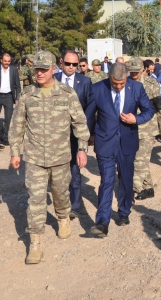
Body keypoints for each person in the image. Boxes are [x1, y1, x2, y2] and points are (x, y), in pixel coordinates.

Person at [9, 50, 90, 265]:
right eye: (37, 69)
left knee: (60, 193)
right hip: (34, 157)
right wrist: (15, 152)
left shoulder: (66, 93)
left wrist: (82, 149)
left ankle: (63, 217)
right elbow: (17, 125)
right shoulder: (27, 94)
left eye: (44, 69)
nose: (39, 73)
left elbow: (80, 122)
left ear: (54, 69)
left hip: (61, 156)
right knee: (35, 199)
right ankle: (35, 241)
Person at [85, 62, 154, 236]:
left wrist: (136, 119)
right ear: (110, 77)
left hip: (127, 142)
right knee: (107, 180)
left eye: (122, 83)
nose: (118, 87)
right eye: (115, 83)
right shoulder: (98, 88)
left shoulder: (136, 88)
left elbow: (149, 110)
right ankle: (102, 221)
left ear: (126, 77)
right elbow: (89, 115)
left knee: (126, 179)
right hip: (105, 142)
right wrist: (90, 134)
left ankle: (124, 212)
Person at [55, 51, 93, 220]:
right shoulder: (53, 79)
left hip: (76, 134)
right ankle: (60, 204)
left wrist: (87, 133)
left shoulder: (85, 82)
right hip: (56, 135)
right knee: (57, 173)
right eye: (68, 63)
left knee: (74, 171)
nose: (71, 67)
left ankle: (74, 206)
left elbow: (90, 108)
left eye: (75, 64)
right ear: (61, 62)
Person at [127, 57, 161, 200]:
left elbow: (160, 107)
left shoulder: (151, 84)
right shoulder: (126, 83)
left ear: (143, 69)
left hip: (148, 130)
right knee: (140, 160)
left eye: (136, 72)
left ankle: (132, 191)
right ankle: (149, 188)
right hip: (131, 129)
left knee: (139, 161)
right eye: (131, 72)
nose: (134, 74)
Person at [0, 53, 20, 146]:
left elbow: (18, 85)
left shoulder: (14, 69)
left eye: (8, 61)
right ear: (1, 60)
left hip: (9, 96)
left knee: (9, 118)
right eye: (5, 61)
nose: (7, 63)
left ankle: (6, 137)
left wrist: (17, 98)